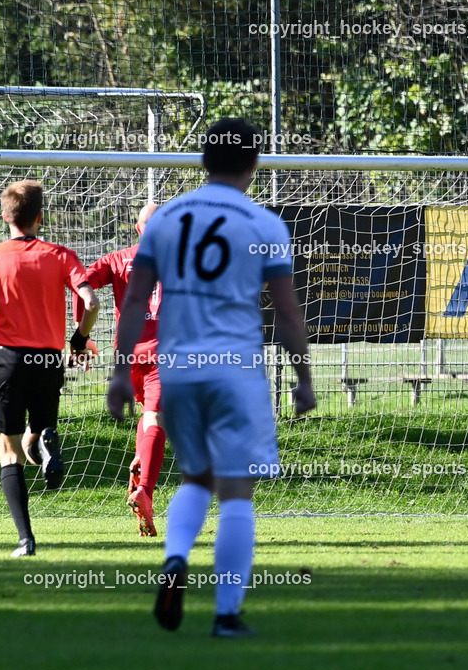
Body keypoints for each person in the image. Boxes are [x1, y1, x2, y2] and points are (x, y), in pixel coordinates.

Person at [107, 118, 316, 638]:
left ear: (203, 161)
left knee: (195, 479)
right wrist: (304, 378)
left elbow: (135, 301)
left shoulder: (168, 219)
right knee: (237, 492)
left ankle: (175, 559)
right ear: (254, 163)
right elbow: (288, 314)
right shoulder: (264, 224)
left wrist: (118, 371)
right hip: (236, 368)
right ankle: (225, 615)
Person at [0, 179, 100, 557]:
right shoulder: (60, 255)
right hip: (48, 360)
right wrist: (77, 341)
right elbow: (91, 302)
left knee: (9, 453)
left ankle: (26, 539)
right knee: (33, 435)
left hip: (7, 360)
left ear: (5, 216)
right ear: (41, 217)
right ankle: (45, 442)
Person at [76, 203, 165, 536]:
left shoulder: (117, 259)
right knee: (159, 418)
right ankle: (145, 489)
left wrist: (80, 334)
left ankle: (143, 457)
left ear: (138, 228)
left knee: (150, 416)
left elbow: (80, 283)